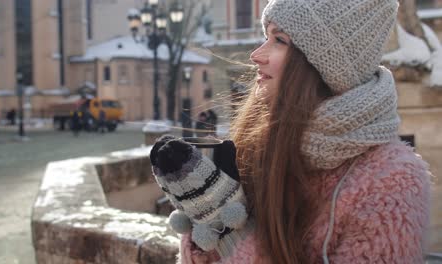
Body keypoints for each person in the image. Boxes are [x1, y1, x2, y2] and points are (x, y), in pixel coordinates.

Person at [174, 0, 432, 263]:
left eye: (280, 40)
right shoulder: (258, 144)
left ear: (324, 64)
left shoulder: (389, 181)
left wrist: (236, 243)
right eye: (267, 36)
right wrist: (204, 219)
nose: (256, 55)